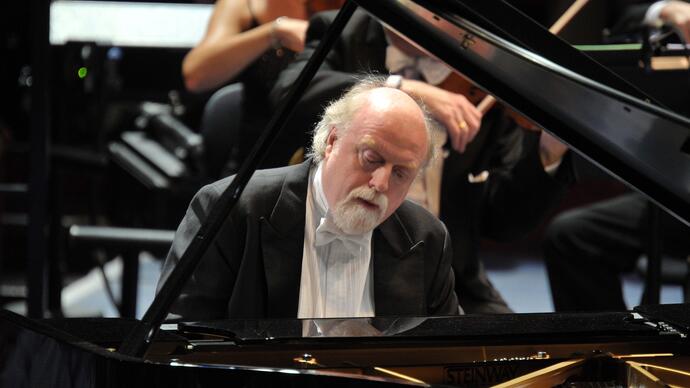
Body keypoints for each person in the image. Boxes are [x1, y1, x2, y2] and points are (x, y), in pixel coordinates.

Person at [270, 10, 573, 314]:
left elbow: (502, 223)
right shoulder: (347, 29)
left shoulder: (479, 70)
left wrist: (549, 152)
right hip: (327, 253)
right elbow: (290, 91)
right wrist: (401, 88)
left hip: (440, 273)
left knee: (518, 355)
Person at [158, 77, 460, 320]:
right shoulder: (231, 211)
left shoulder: (427, 238)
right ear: (332, 141)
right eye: (371, 158)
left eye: (400, 174)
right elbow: (177, 341)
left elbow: (449, 357)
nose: (380, 183)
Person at [544, 0, 690, 312]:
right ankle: (608, 349)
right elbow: (624, 19)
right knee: (572, 237)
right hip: (679, 184)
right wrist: (665, 10)